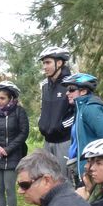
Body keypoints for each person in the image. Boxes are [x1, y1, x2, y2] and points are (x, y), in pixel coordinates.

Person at [61, 73, 103, 185]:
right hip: (82, 168)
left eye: (71, 89)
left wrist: (97, 165)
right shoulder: (80, 109)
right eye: (67, 89)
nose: (67, 93)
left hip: (92, 170)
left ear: (83, 91)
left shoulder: (90, 109)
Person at [37, 46, 73, 176]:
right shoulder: (45, 86)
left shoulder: (71, 84)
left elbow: (76, 112)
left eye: (48, 62)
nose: (44, 67)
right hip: (47, 141)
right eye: (43, 63)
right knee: (48, 179)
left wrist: (60, 126)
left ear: (59, 63)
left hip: (64, 141)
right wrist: (41, 123)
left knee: (64, 180)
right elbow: (44, 109)